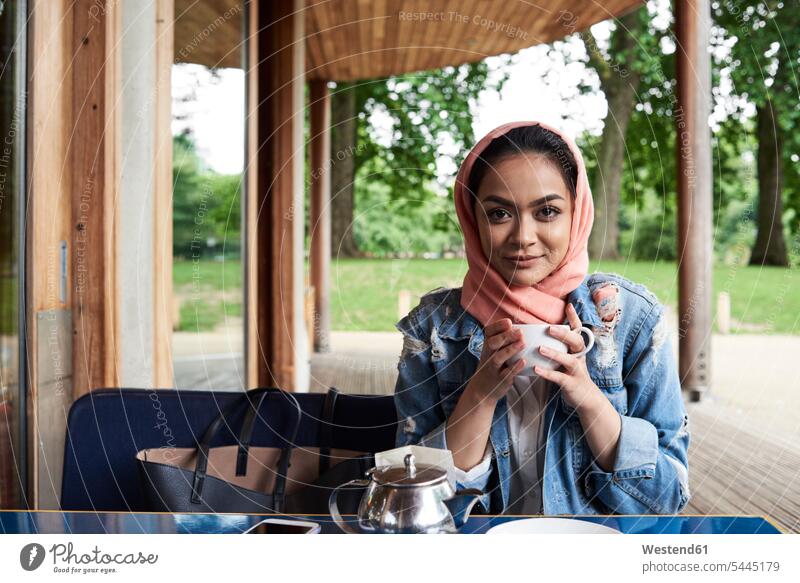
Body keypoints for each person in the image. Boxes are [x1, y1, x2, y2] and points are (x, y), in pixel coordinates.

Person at [393, 121, 690, 515]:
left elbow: (668, 497)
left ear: (577, 212)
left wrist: (588, 398)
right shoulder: (433, 330)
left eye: (547, 211)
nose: (523, 236)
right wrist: (479, 396)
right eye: (499, 213)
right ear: (471, 218)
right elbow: (408, 500)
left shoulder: (631, 319)